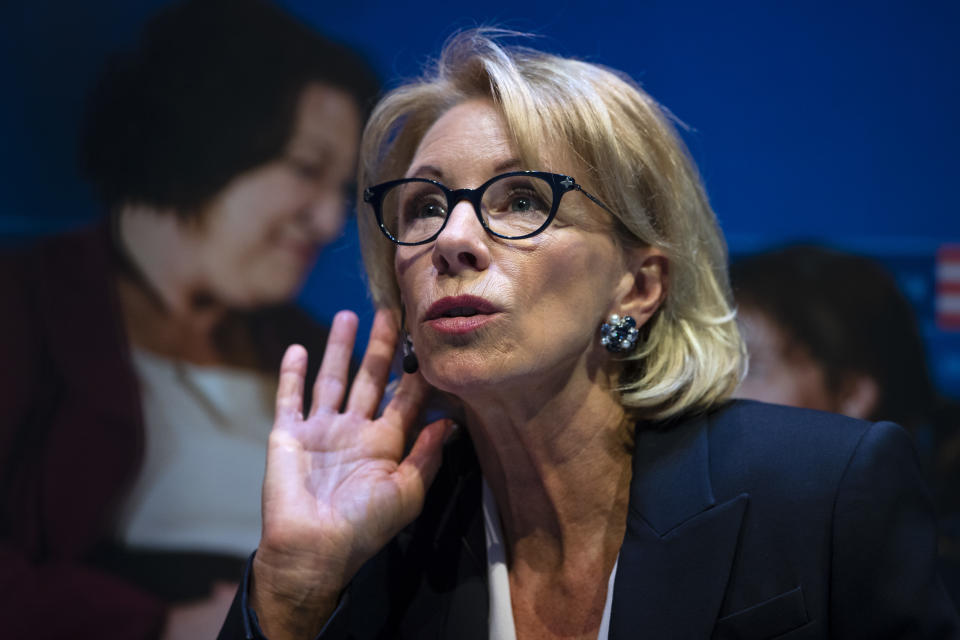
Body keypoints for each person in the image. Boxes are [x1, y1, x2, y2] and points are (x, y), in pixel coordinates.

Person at [219, 31, 958, 639]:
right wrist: (294, 590)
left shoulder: (824, 490)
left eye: (521, 200)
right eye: (423, 205)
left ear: (638, 286)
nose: (452, 238)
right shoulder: (377, 537)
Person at [0, 1, 377, 638]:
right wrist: (163, 625)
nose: (328, 222)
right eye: (307, 170)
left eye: (341, 190)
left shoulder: (309, 349)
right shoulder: (23, 302)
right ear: (208, 136)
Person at [731, 244, 960, 606]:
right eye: (714, 363)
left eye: (749, 367)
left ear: (851, 393)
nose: (716, 391)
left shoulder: (933, 583)